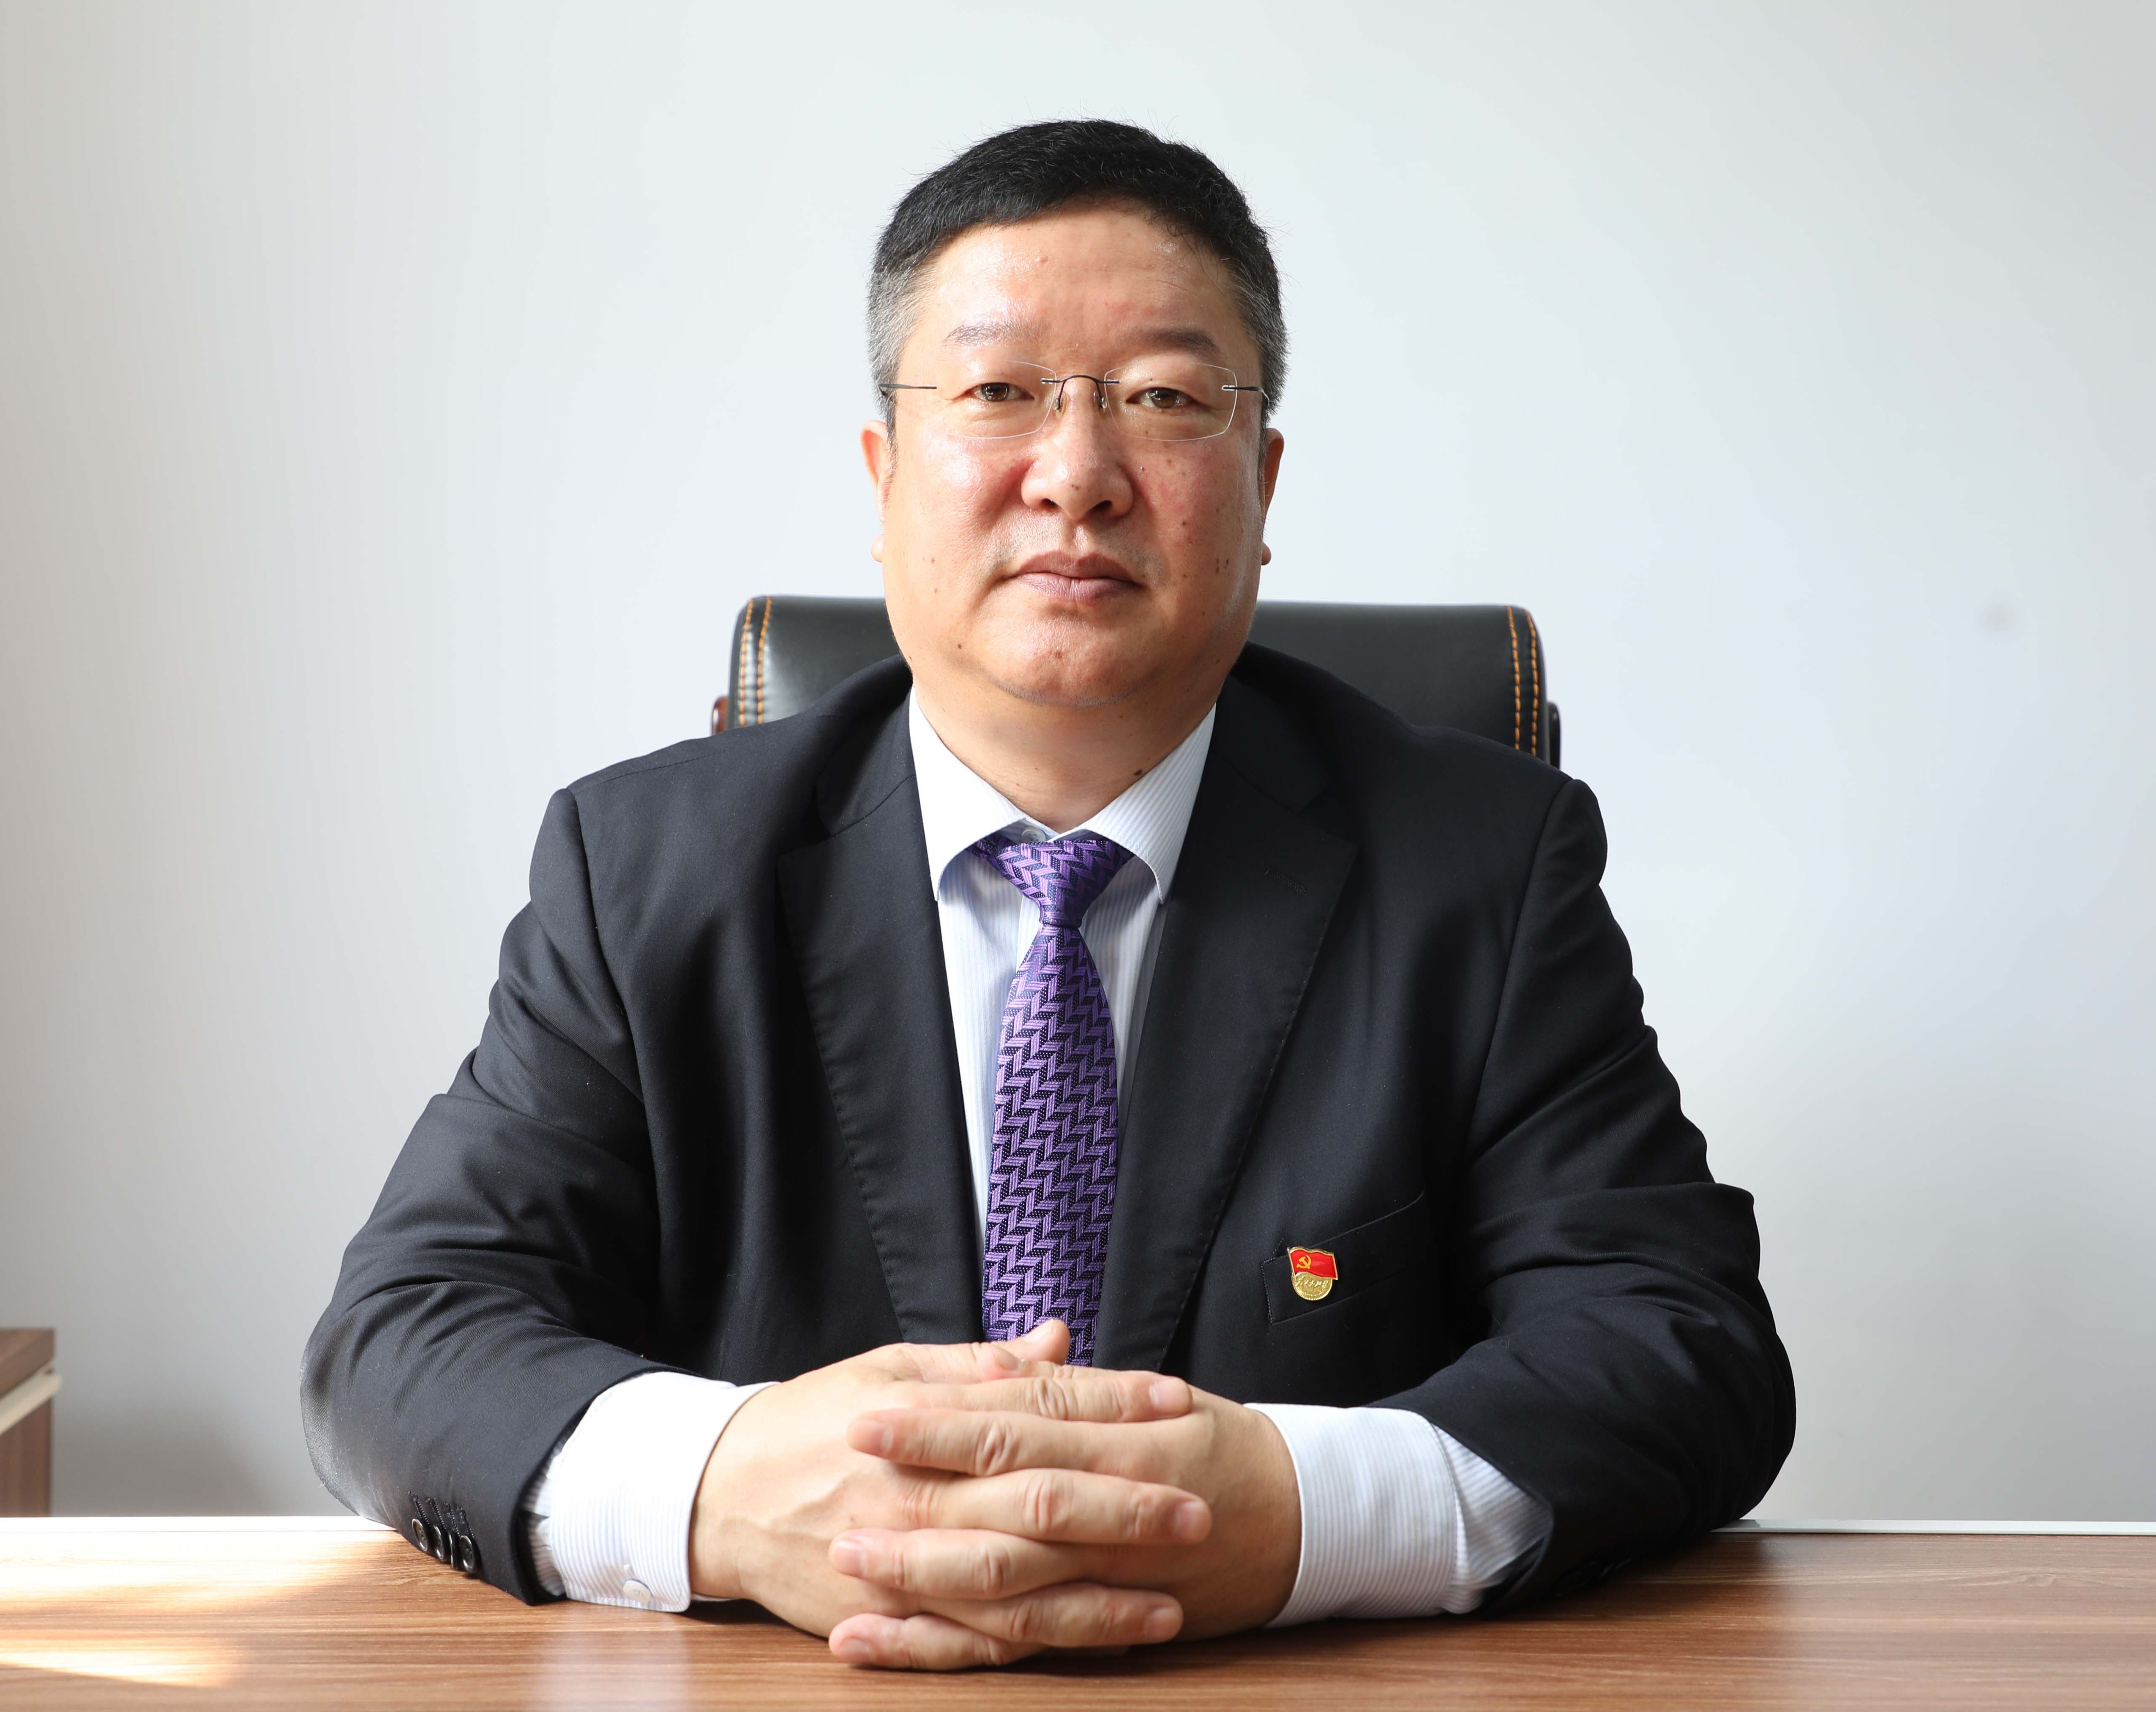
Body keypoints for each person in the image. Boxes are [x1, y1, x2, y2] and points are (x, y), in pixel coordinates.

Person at [303, 118, 1792, 1672]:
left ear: (1262, 479)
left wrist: (1301, 1511)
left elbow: (1676, 1345)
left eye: (1163, 399)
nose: (1075, 475)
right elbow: (405, 1335)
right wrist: (729, 1492)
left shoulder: (1479, 867)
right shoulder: (643, 870)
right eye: (998, 392)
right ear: (883, 476)